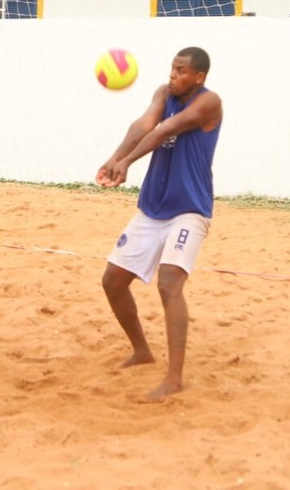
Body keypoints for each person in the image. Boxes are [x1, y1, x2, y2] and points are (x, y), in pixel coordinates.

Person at [96, 46, 222, 401]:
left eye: (182, 71)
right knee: (113, 281)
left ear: (199, 77)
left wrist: (129, 162)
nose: (173, 75)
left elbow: (169, 127)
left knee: (169, 284)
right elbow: (144, 125)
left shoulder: (209, 103)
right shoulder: (163, 94)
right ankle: (141, 351)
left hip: (189, 208)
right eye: (172, 68)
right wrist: (114, 158)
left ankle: (174, 379)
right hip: (154, 207)